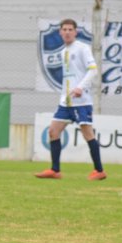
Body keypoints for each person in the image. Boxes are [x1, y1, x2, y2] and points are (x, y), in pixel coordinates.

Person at [35, 19, 105, 181]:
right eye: (64, 29)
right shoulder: (63, 51)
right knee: (53, 131)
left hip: (81, 102)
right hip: (66, 102)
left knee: (88, 134)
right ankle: (55, 170)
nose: (67, 32)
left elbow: (93, 70)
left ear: (76, 32)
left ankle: (99, 170)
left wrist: (81, 87)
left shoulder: (82, 48)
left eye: (70, 29)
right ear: (60, 32)